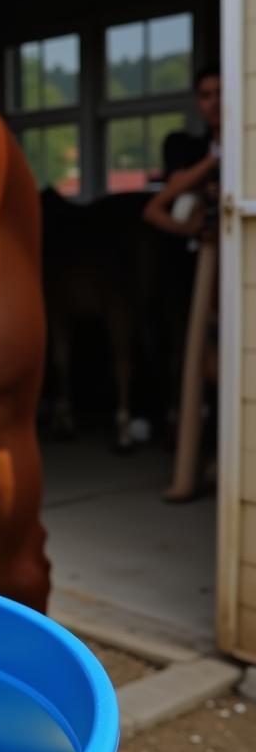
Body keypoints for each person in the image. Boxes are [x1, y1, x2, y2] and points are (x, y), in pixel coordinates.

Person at [143, 65, 221, 501]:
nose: (213, 103)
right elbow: (157, 208)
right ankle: (198, 465)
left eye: (220, 94)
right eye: (205, 95)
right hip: (205, 278)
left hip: (236, 282)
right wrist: (193, 231)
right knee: (204, 369)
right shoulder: (191, 149)